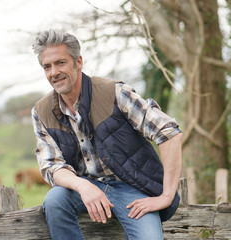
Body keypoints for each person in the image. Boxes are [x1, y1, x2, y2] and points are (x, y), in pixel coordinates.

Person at [31, 29, 182, 240]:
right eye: (47, 66)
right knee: (55, 200)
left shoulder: (115, 93)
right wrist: (82, 185)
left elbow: (169, 133)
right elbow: (51, 166)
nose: (54, 72)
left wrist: (166, 196)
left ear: (78, 62)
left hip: (133, 188)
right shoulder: (41, 111)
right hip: (85, 188)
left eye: (60, 63)